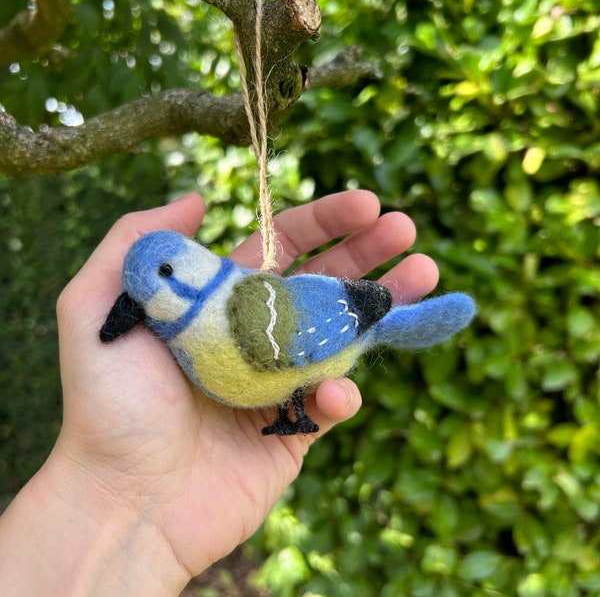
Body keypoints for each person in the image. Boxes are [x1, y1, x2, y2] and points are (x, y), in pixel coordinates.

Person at [0, 190, 439, 595]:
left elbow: (312, 319)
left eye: (165, 275)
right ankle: (294, 406)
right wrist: (116, 485)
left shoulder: (239, 317)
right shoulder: (187, 341)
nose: (155, 298)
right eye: (144, 297)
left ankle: (298, 404)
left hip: (337, 325)